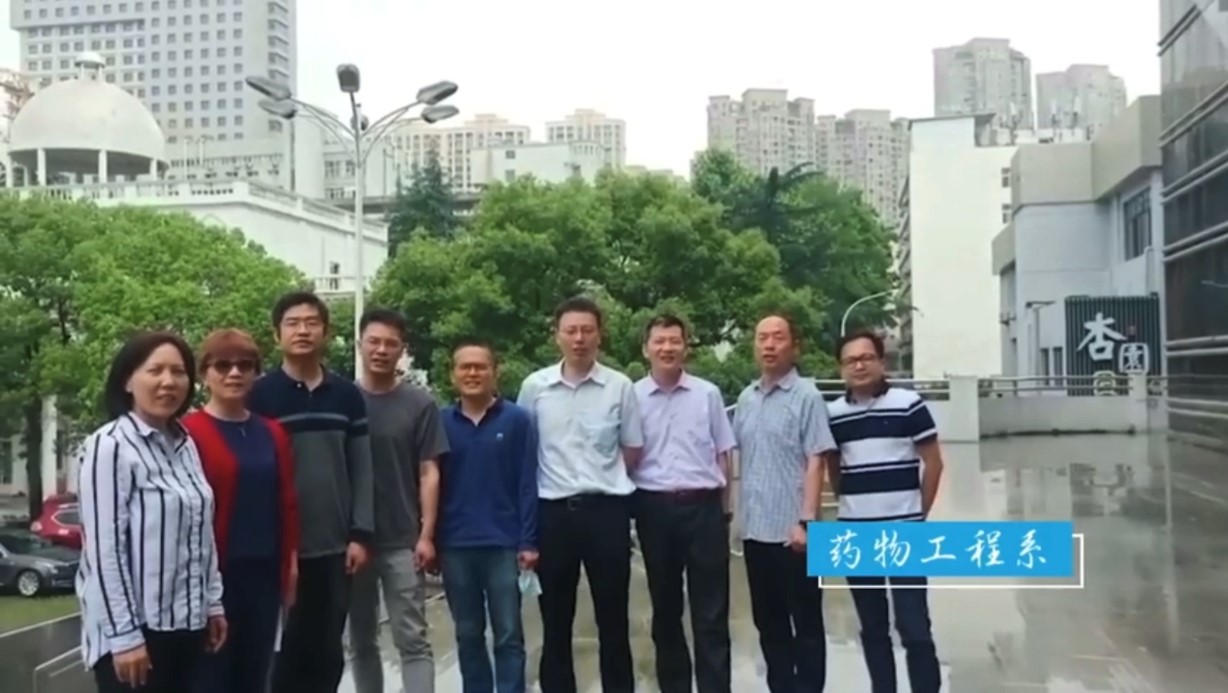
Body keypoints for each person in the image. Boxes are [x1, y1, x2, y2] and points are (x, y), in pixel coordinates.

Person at [76, 331, 228, 693]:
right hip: (135, 637)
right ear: (128, 380)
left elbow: (201, 534)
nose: (168, 382)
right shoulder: (110, 446)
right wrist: (125, 637)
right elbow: (104, 552)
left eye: (178, 372)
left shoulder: (185, 445)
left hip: (187, 626)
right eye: (155, 370)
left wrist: (213, 603)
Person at [247, 291, 374, 693]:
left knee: (327, 652)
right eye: (292, 323)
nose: (302, 330)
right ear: (277, 334)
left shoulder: (347, 395)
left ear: (326, 332)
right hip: (279, 550)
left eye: (311, 323)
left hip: (335, 548)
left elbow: (362, 468)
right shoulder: (259, 396)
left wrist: (360, 533)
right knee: (282, 655)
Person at [517, 296, 644, 693]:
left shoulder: (619, 386)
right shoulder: (535, 387)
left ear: (599, 335)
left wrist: (602, 478)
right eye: (570, 331)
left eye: (587, 330)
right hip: (553, 514)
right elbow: (525, 451)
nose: (579, 339)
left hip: (607, 512)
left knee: (613, 617)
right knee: (555, 620)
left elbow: (632, 448)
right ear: (556, 336)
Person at [827, 330, 945, 693]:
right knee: (872, 627)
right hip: (856, 533)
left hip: (904, 531)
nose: (859, 366)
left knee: (914, 626)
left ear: (881, 362)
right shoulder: (833, 414)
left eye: (866, 358)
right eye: (850, 360)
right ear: (841, 368)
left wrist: (918, 514)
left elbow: (934, 464)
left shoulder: (908, 404)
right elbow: (834, 470)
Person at [183, 329, 299, 693]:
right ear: (204, 374)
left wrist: (291, 566)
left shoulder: (273, 432)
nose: (234, 373)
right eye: (223, 365)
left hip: (264, 576)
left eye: (245, 365)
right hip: (214, 578)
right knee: (212, 677)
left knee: (256, 675)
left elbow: (286, 501)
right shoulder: (187, 433)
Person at [631, 314, 736, 693]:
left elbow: (724, 453)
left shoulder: (707, 394)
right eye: (659, 341)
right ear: (646, 349)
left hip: (704, 508)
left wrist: (725, 509)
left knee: (712, 611)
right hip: (653, 510)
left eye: (675, 341)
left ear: (686, 347)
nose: (667, 348)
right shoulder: (632, 397)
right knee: (665, 609)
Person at [348, 308, 450, 693]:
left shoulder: (419, 403)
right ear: (359, 344)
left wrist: (426, 535)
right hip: (354, 540)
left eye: (390, 344)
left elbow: (429, 472)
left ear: (402, 350)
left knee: (412, 638)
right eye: (373, 341)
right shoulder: (343, 399)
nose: (381, 350)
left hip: (402, 540)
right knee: (360, 639)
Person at [732, 314, 834, 693]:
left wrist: (806, 521)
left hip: (798, 534)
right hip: (756, 532)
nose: (769, 345)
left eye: (778, 337)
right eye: (762, 338)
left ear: (795, 346)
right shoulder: (747, 399)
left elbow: (816, 459)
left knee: (806, 624)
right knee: (769, 622)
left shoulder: (807, 396)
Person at [438, 338, 539, 693]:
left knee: (508, 634)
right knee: (467, 634)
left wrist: (528, 541)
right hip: (454, 544)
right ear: (453, 374)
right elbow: (430, 482)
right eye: (465, 366)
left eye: (480, 366)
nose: (473, 373)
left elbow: (528, 482)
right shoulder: (440, 422)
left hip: (504, 544)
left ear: (495, 372)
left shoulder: (517, 420)